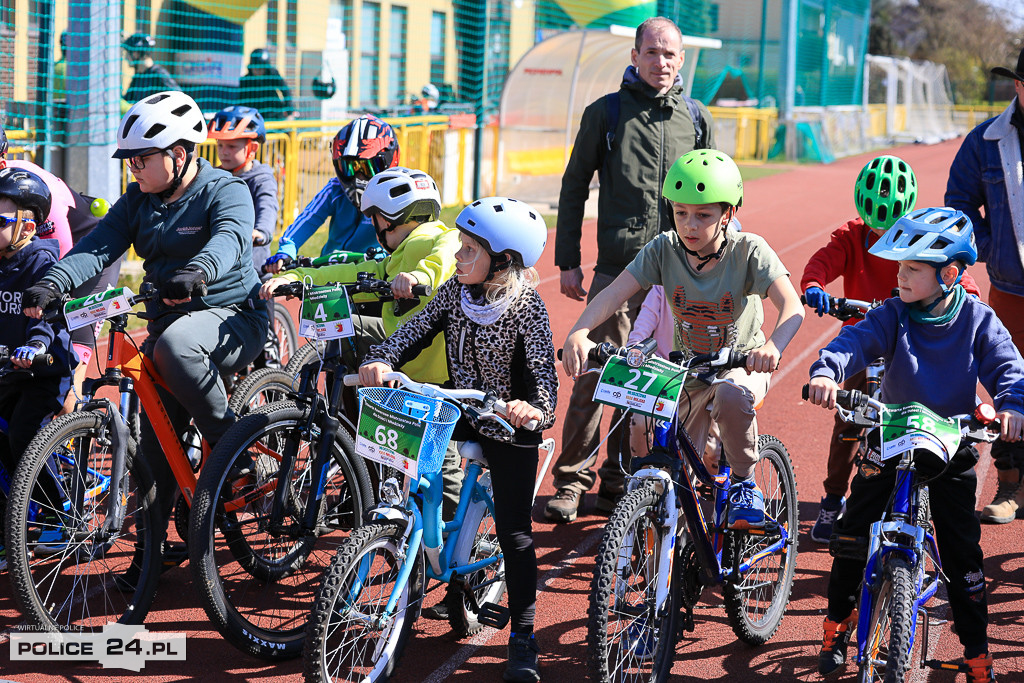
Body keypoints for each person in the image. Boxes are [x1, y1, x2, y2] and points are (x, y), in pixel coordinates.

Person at [23, 90, 269, 579]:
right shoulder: (138, 199)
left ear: (179, 154)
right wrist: (54, 280)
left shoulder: (226, 191)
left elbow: (231, 238)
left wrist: (199, 270)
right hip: (168, 326)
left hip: (232, 317)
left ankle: (231, 444)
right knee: (154, 445)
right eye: (129, 160)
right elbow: (98, 246)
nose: (133, 168)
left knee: (175, 346)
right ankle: (150, 555)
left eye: (141, 158)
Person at [806, 207, 1024, 683]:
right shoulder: (893, 313)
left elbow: (1009, 368)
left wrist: (1012, 406)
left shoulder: (977, 320)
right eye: (899, 266)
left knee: (964, 554)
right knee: (851, 531)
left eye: (911, 268)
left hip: (953, 442)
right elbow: (855, 342)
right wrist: (827, 370)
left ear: (949, 274)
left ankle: (975, 650)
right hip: (891, 436)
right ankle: (837, 624)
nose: (899, 276)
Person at [359, 196, 557, 683]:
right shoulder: (455, 293)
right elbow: (414, 331)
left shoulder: (526, 307)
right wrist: (382, 359)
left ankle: (524, 636)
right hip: (461, 409)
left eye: (470, 249)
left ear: (503, 262)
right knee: (408, 468)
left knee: (515, 534)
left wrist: (531, 409)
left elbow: (543, 381)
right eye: (460, 246)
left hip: (509, 427)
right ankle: (420, 544)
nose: (459, 257)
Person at [563, 149, 804, 530]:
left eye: (703, 215)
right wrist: (580, 331)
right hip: (687, 371)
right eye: (681, 213)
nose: (690, 225)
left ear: (727, 214)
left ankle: (745, 483)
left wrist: (771, 346)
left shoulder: (749, 250)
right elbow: (614, 293)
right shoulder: (664, 249)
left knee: (730, 394)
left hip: (738, 366)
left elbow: (792, 305)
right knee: (672, 464)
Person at [547, 16, 716, 523]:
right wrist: (569, 262)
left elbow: (718, 194)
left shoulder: (697, 118)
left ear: (681, 60)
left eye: (670, 54)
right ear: (635, 56)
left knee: (652, 380)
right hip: (618, 270)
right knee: (594, 375)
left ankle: (619, 477)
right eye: (652, 52)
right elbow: (574, 187)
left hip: (678, 274)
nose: (660, 62)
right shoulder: (607, 113)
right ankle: (572, 481)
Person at [260, 166, 463, 513]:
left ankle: (458, 545)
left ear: (395, 217)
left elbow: (447, 256)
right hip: (404, 364)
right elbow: (349, 273)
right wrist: (298, 277)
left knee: (440, 466)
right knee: (345, 327)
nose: (373, 226)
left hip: (434, 376)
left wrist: (417, 275)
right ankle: (348, 431)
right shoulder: (394, 258)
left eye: (376, 218)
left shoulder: (438, 237)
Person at [802, 155, 982, 541]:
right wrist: (815, 285)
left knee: (920, 412)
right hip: (864, 341)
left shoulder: (916, 239)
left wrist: (966, 294)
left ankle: (919, 495)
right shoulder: (851, 236)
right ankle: (833, 501)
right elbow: (823, 261)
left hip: (907, 340)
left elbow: (950, 269)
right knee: (849, 423)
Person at [945, 46, 1024, 525]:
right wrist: (995, 249)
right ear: (1018, 85)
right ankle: (1012, 485)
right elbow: (959, 207)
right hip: (1013, 289)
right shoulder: (985, 141)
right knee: (1012, 386)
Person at [0, 167, 77, 570]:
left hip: (43, 370)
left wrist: (34, 345)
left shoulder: (41, 261)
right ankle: (10, 526)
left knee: (24, 436)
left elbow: (45, 319)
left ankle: (58, 511)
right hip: (8, 371)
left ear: (27, 224)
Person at [265, 115, 399, 274]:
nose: (358, 177)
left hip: (375, 273)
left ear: (390, 159)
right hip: (329, 271)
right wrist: (287, 249)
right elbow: (309, 217)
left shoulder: (397, 193)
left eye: (368, 167)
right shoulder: (334, 189)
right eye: (349, 167)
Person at [208, 105, 279, 274]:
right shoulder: (214, 176)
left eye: (231, 147)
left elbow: (267, 206)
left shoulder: (262, 179)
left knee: (261, 296)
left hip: (252, 269)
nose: (223, 152)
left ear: (252, 149)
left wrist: (261, 231)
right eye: (220, 145)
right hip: (220, 267)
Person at [122, 33, 179, 105]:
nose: (126, 58)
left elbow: (179, 98)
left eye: (128, 53)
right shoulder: (138, 77)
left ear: (136, 53)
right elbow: (127, 101)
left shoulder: (158, 74)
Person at [238, 48, 294, 121]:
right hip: (253, 118)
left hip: (274, 115)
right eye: (256, 68)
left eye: (261, 68)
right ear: (251, 67)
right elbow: (240, 101)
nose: (258, 71)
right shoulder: (245, 81)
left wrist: (289, 111)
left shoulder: (272, 75)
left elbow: (285, 90)